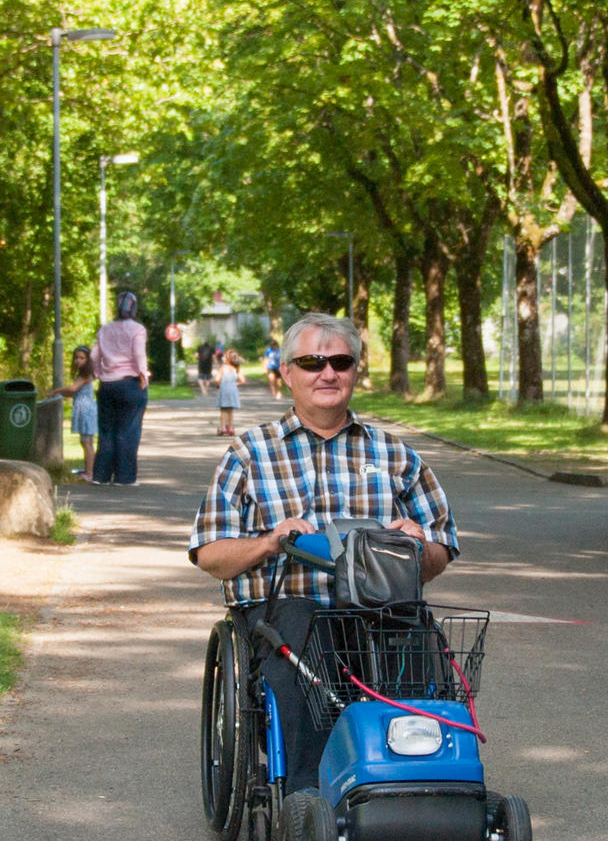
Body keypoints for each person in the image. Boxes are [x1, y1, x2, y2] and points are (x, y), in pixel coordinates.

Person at [186, 312, 458, 792]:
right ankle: (310, 798)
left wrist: (418, 546)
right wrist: (271, 541)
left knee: (419, 634)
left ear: (356, 370)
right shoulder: (249, 454)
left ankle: (425, 784)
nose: (327, 373)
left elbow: (441, 550)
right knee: (308, 634)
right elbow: (209, 553)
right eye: (312, 362)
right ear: (287, 372)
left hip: (380, 605)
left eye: (340, 361)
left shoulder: (396, 455)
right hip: (282, 609)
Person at [90, 291, 151, 485]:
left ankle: (101, 476)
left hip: (107, 385)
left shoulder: (105, 329)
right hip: (130, 383)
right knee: (128, 431)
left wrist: (99, 373)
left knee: (106, 430)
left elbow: (93, 355)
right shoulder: (137, 329)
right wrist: (143, 375)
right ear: (133, 307)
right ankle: (125, 478)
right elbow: (139, 354)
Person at [50, 346, 100, 480]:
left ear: (88, 359)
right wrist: (59, 393)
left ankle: (90, 473)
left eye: (82, 358)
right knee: (85, 442)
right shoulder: (82, 375)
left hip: (86, 411)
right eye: (76, 358)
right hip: (84, 409)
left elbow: (72, 388)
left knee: (87, 442)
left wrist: (57, 391)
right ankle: (88, 470)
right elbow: (74, 393)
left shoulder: (85, 375)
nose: (78, 360)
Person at [214, 347, 242, 436]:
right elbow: (243, 380)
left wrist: (218, 384)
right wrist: (235, 384)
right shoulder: (235, 369)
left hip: (224, 389)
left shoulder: (223, 368)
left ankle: (223, 428)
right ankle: (230, 428)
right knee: (230, 410)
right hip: (233, 389)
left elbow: (217, 379)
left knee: (223, 409)